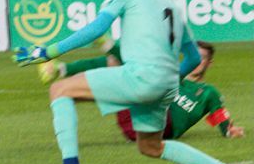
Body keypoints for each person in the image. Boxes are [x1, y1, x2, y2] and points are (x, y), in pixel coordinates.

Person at [14, 0, 250, 164]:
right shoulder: (171, 0)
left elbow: (96, 29)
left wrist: (48, 52)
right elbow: (193, 56)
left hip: (141, 77)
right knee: (151, 146)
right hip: (165, 86)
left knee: (59, 89)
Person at [38, 40, 245, 143]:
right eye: (195, 56)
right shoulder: (171, 72)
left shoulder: (207, 92)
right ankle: (64, 71)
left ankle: (101, 45)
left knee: (124, 67)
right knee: (119, 70)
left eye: (203, 58)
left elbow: (219, 115)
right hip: (134, 124)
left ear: (210, 63)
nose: (198, 62)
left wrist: (229, 129)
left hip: (161, 124)